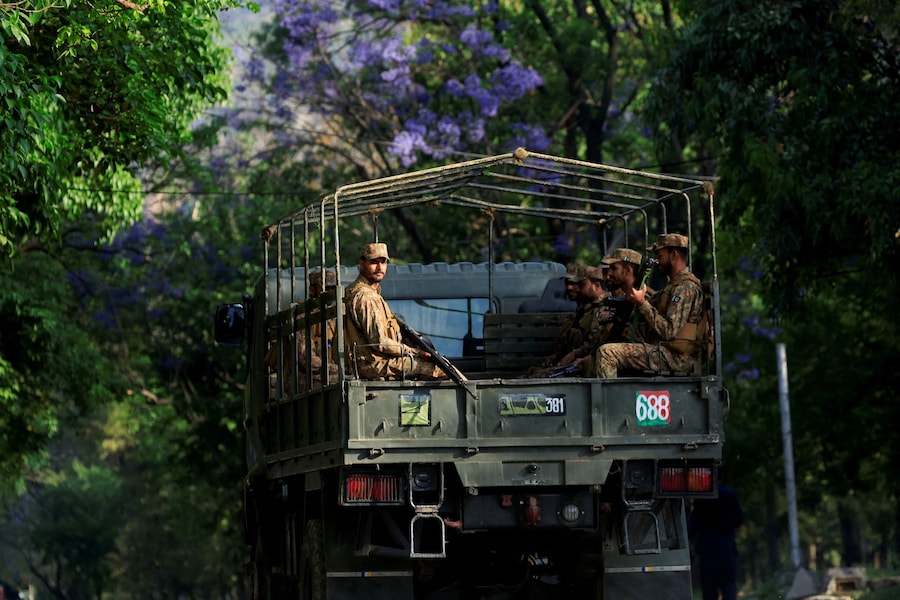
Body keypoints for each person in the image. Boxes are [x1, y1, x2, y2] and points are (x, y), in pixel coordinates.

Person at [595, 233, 705, 378]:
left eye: (660, 256)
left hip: (676, 358)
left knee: (607, 353)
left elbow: (669, 331)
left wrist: (642, 303)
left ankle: (607, 400)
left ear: (673, 255)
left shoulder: (686, 288)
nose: (658, 262)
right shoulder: (672, 287)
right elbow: (639, 314)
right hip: (663, 351)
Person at [344, 242, 448, 380]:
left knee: (438, 364)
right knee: (440, 369)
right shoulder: (367, 297)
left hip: (374, 361)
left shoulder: (368, 292)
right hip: (374, 364)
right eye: (374, 262)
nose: (380, 267)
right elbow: (379, 341)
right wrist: (413, 352)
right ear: (362, 263)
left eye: (383, 262)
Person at [689, 475, 745, 600]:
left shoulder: (701, 498)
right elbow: (739, 520)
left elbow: (692, 527)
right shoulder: (730, 495)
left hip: (707, 548)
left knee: (709, 589)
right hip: (726, 547)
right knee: (728, 584)